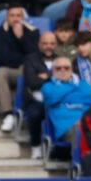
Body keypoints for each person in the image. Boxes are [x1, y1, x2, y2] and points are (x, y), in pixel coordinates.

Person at [0, 5, 40, 133]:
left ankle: (27, 111)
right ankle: (8, 114)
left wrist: (21, 38)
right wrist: (23, 58)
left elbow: (35, 56)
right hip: (12, 70)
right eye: (12, 16)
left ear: (23, 17)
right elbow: (1, 58)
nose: (15, 19)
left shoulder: (33, 32)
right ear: (7, 17)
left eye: (18, 16)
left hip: (29, 70)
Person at [42, 56, 91, 142]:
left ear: (71, 70)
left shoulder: (83, 84)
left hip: (89, 122)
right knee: (79, 130)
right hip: (66, 128)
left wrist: (64, 97)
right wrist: (74, 87)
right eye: (58, 68)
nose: (63, 70)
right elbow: (53, 97)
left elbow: (90, 96)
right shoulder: (48, 87)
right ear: (53, 71)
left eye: (66, 68)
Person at [23, 31, 57, 160]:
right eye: (45, 43)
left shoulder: (60, 60)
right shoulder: (30, 59)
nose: (48, 46)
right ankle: (36, 147)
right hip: (36, 100)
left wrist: (43, 76)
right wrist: (51, 76)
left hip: (56, 100)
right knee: (35, 114)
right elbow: (32, 82)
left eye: (52, 43)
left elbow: (65, 80)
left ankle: (57, 150)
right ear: (39, 45)